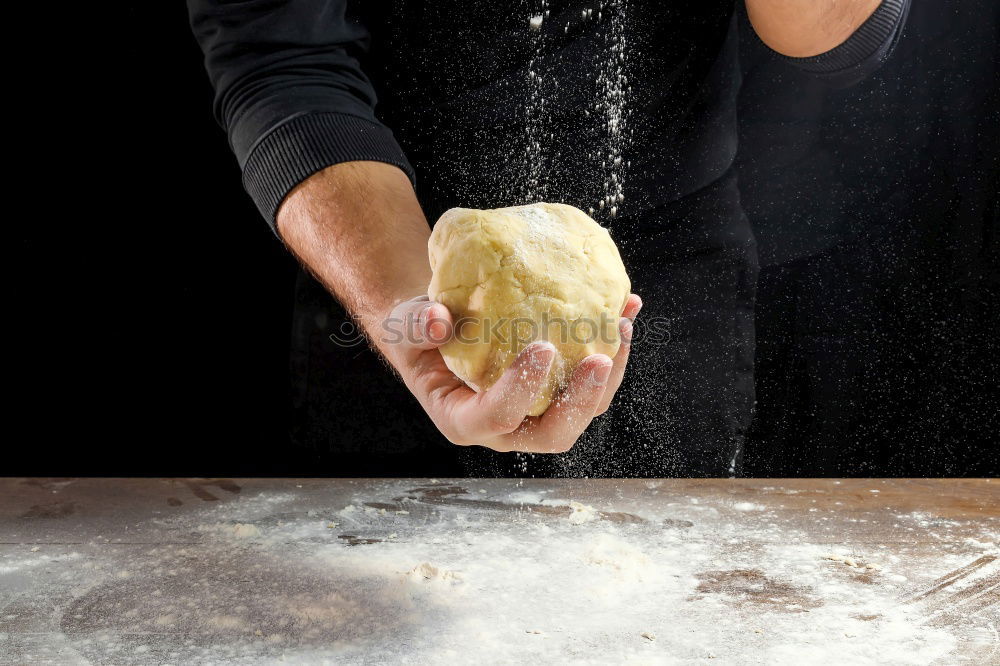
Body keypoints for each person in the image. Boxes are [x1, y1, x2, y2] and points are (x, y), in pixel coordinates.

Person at [187, 0, 910, 477]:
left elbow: (830, 39)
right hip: (391, 267)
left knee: (662, 606)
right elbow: (279, 60)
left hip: (669, 282)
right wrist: (406, 322)